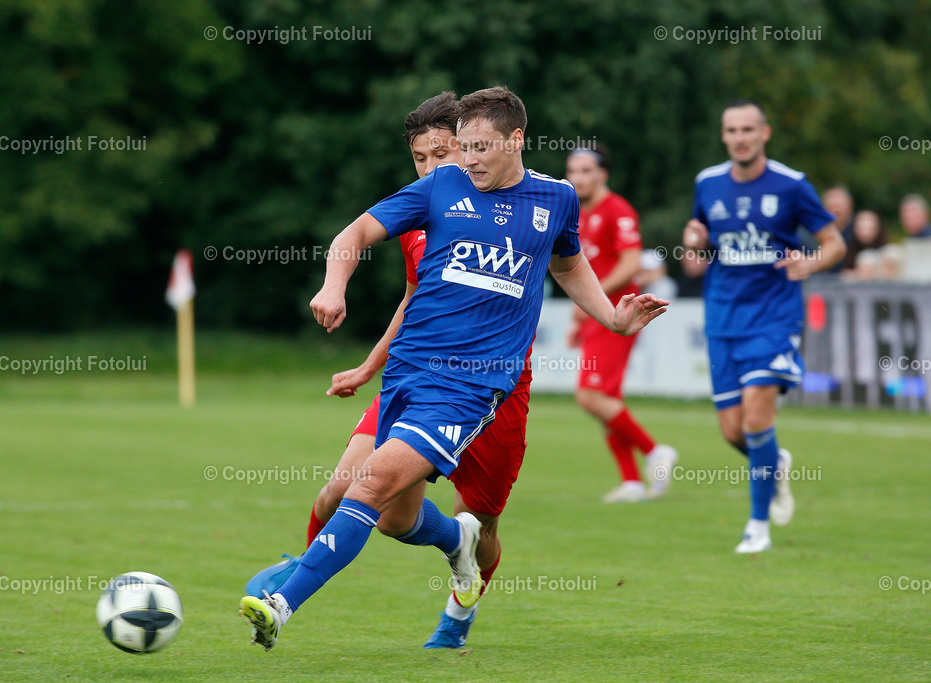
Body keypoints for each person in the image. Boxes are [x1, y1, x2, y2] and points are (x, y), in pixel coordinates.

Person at [239, 86, 668, 651]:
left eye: (478, 147)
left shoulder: (558, 199)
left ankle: (289, 603)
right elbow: (356, 235)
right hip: (408, 377)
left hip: (477, 384)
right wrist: (334, 286)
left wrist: (613, 319)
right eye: (458, 148)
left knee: (415, 499)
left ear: (516, 140)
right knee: (386, 511)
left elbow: (567, 264)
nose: (465, 160)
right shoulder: (441, 189)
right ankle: (451, 542)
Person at [243, 91, 537, 650]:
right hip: (418, 374)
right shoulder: (421, 211)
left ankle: (456, 617)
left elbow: (566, 263)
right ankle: (301, 579)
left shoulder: (523, 206)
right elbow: (411, 297)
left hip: (492, 389)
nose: (431, 168)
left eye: (442, 154)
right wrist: (369, 364)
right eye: (420, 158)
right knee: (355, 496)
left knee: (486, 522)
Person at [683, 98, 845, 553]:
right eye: (732, 130)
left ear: (765, 134)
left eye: (748, 130)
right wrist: (692, 242)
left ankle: (757, 526)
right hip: (723, 318)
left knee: (756, 419)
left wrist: (809, 264)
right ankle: (775, 463)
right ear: (724, 136)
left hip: (774, 318)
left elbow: (834, 243)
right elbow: (698, 249)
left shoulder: (792, 185)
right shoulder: (708, 183)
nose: (740, 138)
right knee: (733, 431)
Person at [564, 147, 677, 502]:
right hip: (597, 315)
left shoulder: (617, 210)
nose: (577, 178)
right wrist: (580, 314)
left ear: (603, 175)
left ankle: (655, 450)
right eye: (572, 171)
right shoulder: (575, 212)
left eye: (585, 170)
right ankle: (631, 481)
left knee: (590, 396)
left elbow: (630, 265)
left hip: (619, 314)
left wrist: (593, 299)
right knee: (605, 398)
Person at [840, 209, 888, 275]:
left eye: (869, 227)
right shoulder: (847, 249)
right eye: (861, 227)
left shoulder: (887, 252)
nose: (865, 233)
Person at [820, 185, 855, 274]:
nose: (835, 210)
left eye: (838, 206)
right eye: (831, 206)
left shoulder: (859, 232)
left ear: (850, 205)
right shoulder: (815, 234)